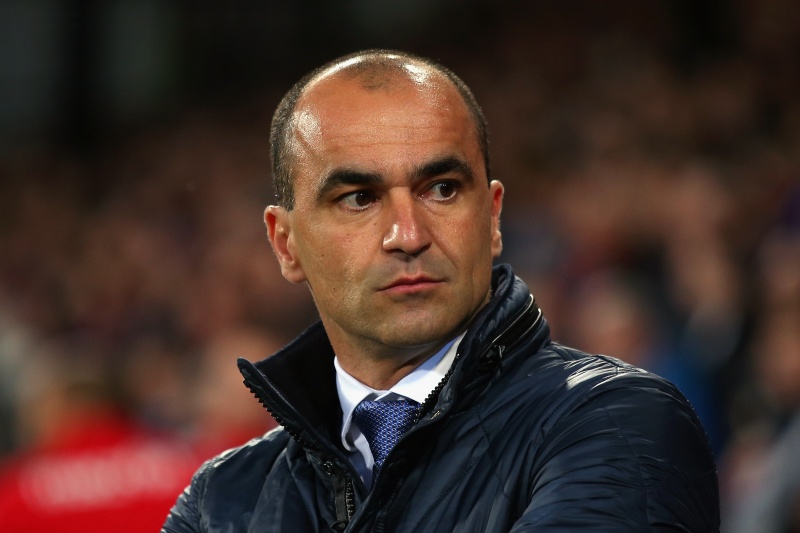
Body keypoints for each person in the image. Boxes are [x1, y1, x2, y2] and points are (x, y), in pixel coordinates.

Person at [163, 49, 719, 532]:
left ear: (493, 218)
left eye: (443, 189)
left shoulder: (617, 422)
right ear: (286, 245)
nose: (408, 235)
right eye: (359, 198)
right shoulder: (223, 500)